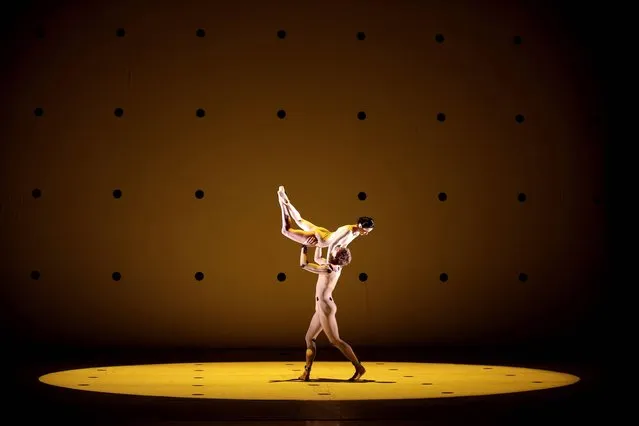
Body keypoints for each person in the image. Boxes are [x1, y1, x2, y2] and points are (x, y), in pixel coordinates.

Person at [297, 243, 366, 382]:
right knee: (309, 338)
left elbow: (304, 265)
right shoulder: (333, 265)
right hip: (321, 306)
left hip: (325, 307)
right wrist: (318, 243)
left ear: (335, 256)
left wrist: (304, 248)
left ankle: (359, 367)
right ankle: (306, 372)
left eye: (335, 249)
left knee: (335, 340)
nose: (333, 248)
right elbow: (317, 257)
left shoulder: (328, 269)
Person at [278, 186, 374, 259]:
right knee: (285, 231)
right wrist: (329, 261)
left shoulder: (356, 232)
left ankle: (287, 203)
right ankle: (282, 203)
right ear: (360, 225)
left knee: (300, 220)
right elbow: (332, 245)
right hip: (320, 239)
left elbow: (343, 246)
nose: (367, 233)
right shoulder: (348, 231)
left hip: (324, 233)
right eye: (366, 230)